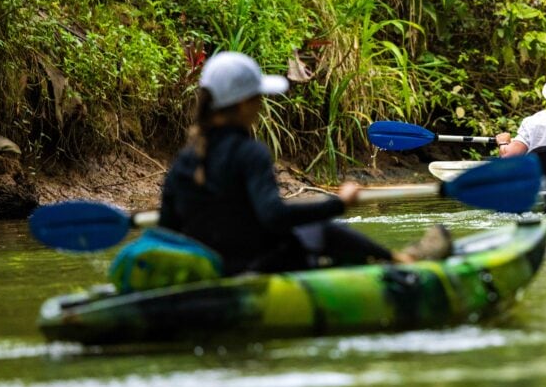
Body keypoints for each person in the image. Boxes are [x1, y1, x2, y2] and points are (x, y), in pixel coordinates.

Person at [158, 51, 451, 276]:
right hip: (259, 268)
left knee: (305, 230)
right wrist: (339, 204)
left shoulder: (184, 162)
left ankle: (396, 259)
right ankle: (402, 261)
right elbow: (273, 216)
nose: (261, 104)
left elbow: (167, 230)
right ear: (244, 103)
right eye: (258, 97)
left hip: (212, 272)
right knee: (320, 228)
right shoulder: (250, 153)